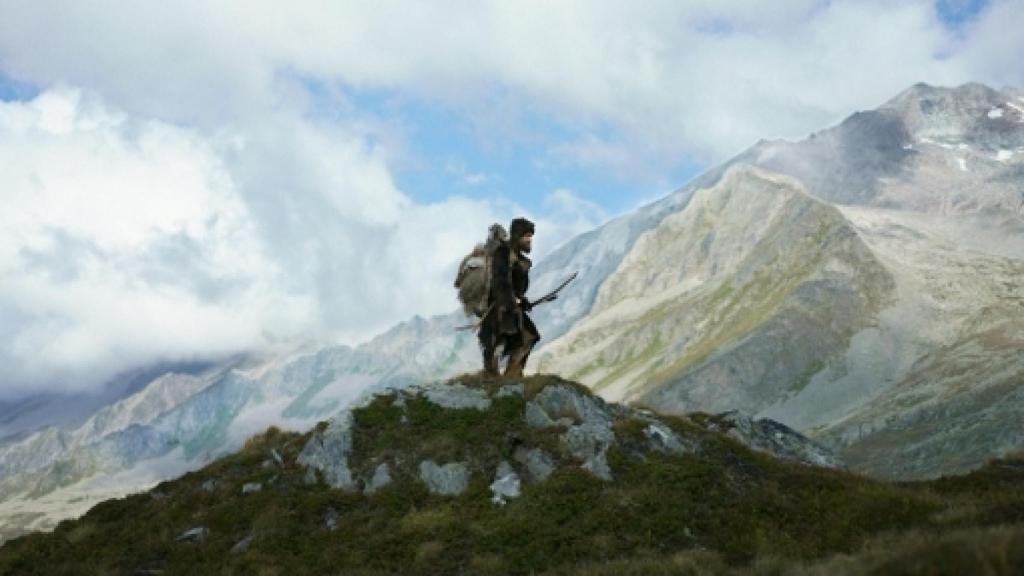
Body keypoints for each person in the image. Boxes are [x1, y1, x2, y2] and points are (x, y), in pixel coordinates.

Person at [479, 217, 540, 378]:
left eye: (530, 237)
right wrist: (511, 300)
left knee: (529, 337)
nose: (529, 240)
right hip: (498, 309)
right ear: (518, 235)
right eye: (527, 236)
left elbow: (518, 288)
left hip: (513, 309)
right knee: (494, 344)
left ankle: (513, 375)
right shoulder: (502, 253)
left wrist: (522, 300)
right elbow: (500, 281)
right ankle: (491, 379)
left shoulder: (521, 260)